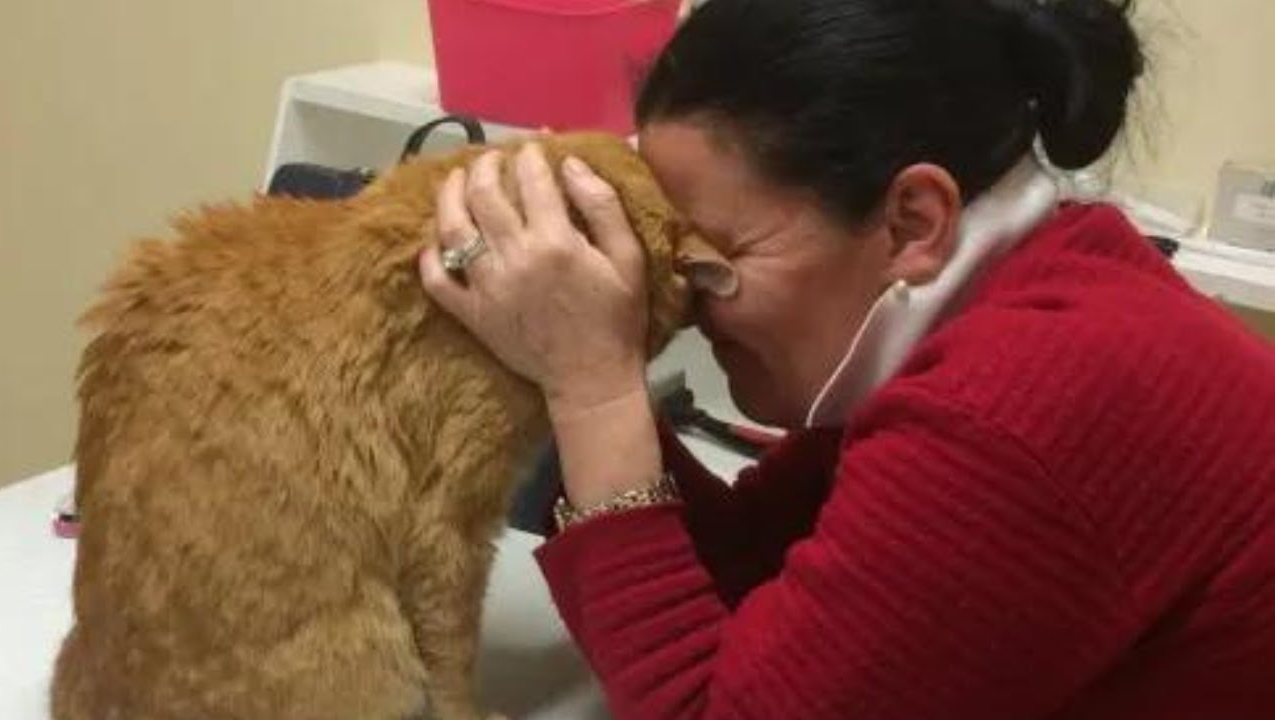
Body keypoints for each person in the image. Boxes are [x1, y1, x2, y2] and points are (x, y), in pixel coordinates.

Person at [418, 0, 1275, 717]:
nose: (680, 301)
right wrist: (566, 362)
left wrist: (594, 393)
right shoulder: (1024, 288)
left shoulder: (1017, 407)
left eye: (717, 257)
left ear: (912, 220)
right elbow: (762, 566)